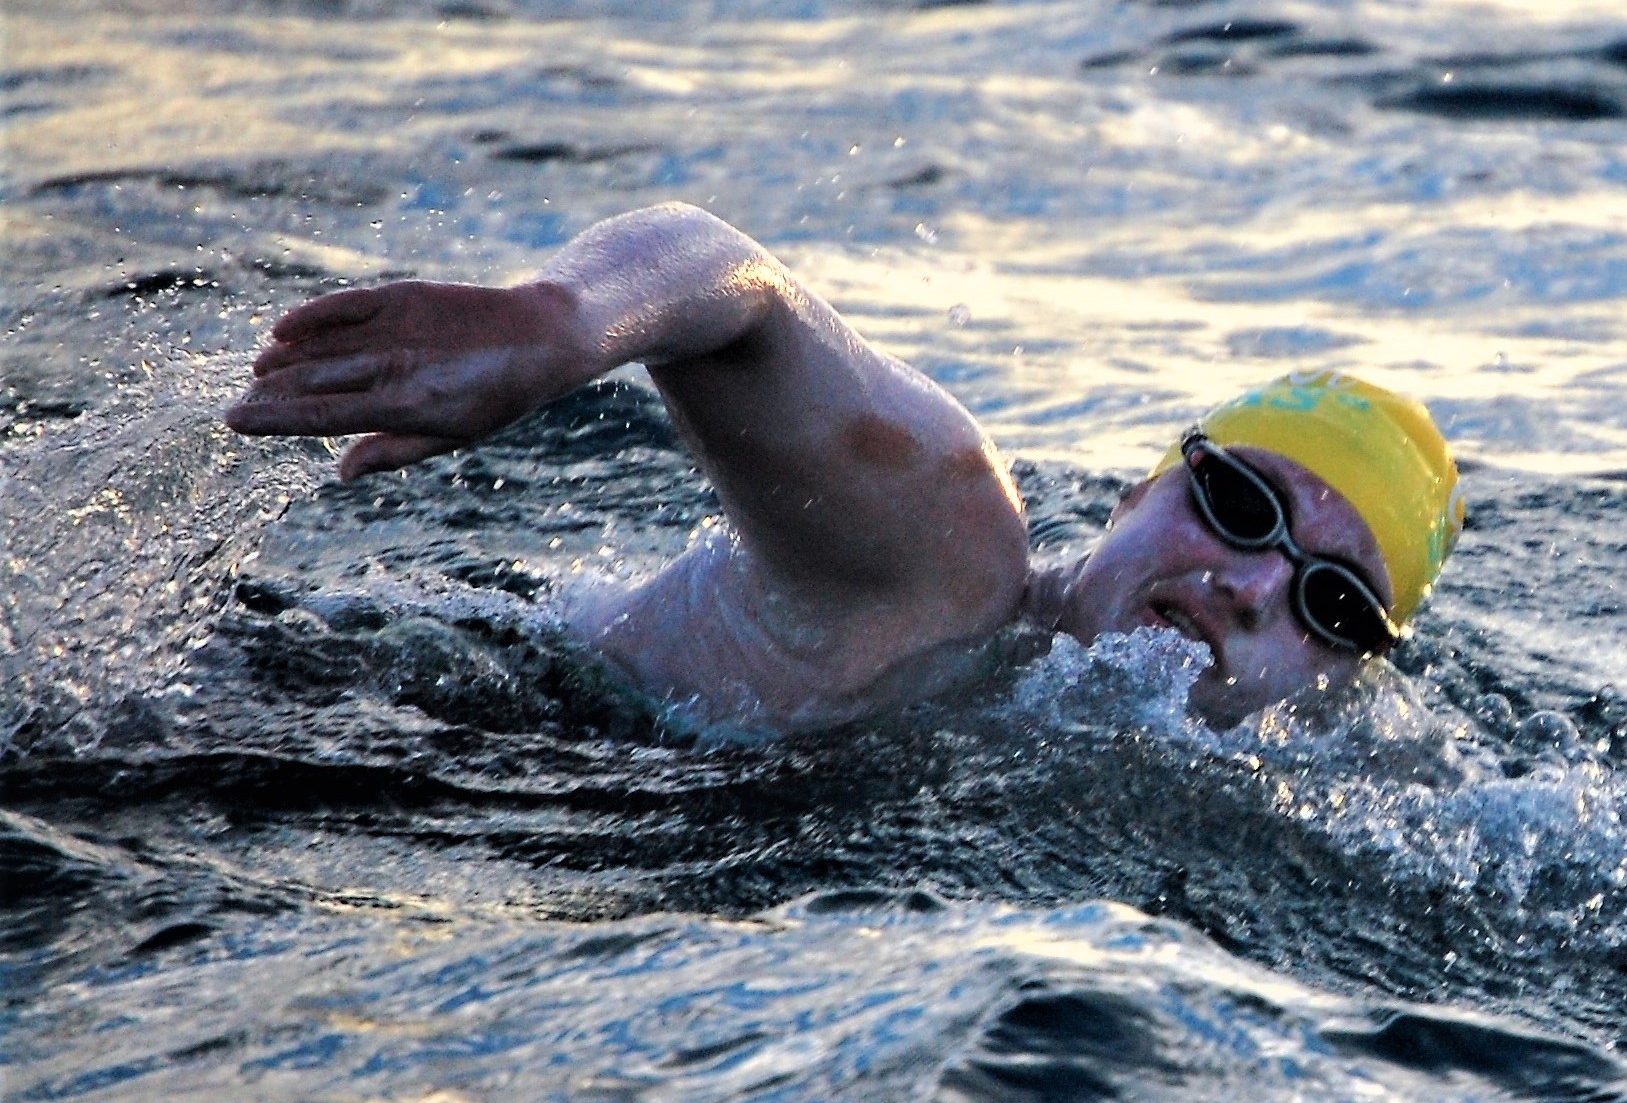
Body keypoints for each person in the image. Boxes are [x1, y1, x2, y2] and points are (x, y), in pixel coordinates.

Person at [226, 202, 1461, 731]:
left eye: (1330, 605)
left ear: (1337, 679)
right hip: (355, 714)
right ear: (1142, 488)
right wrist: (558, 324)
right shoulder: (951, 556)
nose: (1253, 585)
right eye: (1239, 502)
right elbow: (729, 280)